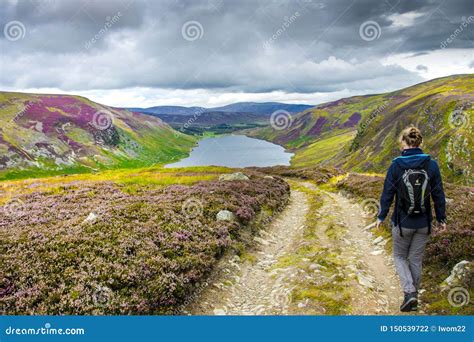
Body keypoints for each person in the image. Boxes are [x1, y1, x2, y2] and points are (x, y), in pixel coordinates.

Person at [375, 126, 446, 312]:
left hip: (402, 223)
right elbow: (438, 194)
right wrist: (441, 219)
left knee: (399, 256)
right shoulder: (431, 165)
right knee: (415, 259)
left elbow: (387, 193)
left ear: (403, 142)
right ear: (420, 142)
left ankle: (409, 293)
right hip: (424, 223)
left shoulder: (396, 165)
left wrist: (381, 216)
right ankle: (414, 295)